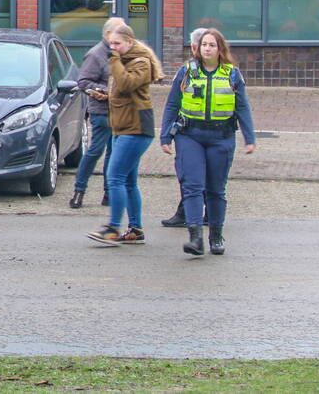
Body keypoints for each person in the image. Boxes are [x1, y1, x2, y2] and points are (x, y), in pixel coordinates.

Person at [160, 28, 256, 255]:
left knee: (215, 189)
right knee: (192, 186)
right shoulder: (186, 72)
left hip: (221, 137)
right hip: (190, 135)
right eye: (204, 45)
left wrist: (249, 138)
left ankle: (216, 235)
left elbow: (242, 107)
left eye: (212, 45)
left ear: (220, 48)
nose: (207, 48)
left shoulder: (232, 74)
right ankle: (195, 237)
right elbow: (172, 104)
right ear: (198, 48)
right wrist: (166, 135)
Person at [87, 23, 163, 246]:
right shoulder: (124, 61)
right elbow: (122, 91)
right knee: (128, 181)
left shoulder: (140, 62)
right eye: (110, 43)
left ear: (130, 42)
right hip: (122, 126)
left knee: (115, 177)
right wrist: (105, 96)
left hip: (136, 127)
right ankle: (135, 229)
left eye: (117, 43)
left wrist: (113, 61)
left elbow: (127, 83)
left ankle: (112, 228)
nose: (113, 48)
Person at [69, 16, 126, 209]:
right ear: (108, 34)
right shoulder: (96, 54)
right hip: (101, 110)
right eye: (120, 31)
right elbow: (83, 82)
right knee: (95, 150)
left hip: (120, 111)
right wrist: (105, 90)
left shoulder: (122, 51)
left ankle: (109, 193)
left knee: (114, 151)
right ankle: (79, 190)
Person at [160, 26, 209, 228]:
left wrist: (166, 134)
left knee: (190, 175)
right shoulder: (188, 71)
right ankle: (191, 212)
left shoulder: (190, 71)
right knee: (193, 175)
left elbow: (173, 104)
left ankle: (192, 214)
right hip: (190, 132)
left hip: (192, 131)